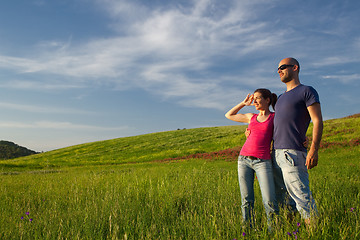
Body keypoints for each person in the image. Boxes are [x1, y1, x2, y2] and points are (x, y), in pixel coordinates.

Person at [273, 57, 323, 228]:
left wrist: (314, 150)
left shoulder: (306, 91)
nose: (279, 70)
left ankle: (314, 232)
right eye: (277, 69)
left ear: (295, 68)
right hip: (276, 154)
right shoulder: (280, 98)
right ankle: (294, 231)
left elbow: (317, 121)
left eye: (283, 67)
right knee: (285, 198)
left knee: (302, 196)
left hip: (292, 152)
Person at [225, 88, 278, 228]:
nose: (254, 101)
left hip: (263, 162)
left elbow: (288, 128)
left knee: (269, 200)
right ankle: (246, 229)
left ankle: (273, 231)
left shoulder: (274, 117)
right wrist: (243, 103)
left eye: (258, 98)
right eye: (254, 98)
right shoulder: (251, 117)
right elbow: (229, 115)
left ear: (267, 100)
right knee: (247, 199)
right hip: (243, 160)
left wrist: (303, 139)